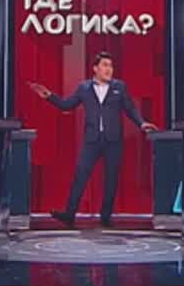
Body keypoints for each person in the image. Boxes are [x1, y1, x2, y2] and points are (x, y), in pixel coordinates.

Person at [29, 51, 158, 228]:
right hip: (92, 140)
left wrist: (142, 123)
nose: (109, 69)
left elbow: (130, 109)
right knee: (80, 175)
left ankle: (106, 217)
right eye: (105, 65)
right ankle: (69, 215)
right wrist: (49, 96)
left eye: (110, 66)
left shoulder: (119, 87)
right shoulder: (84, 88)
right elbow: (67, 105)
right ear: (95, 68)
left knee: (111, 179)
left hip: (113, 140)